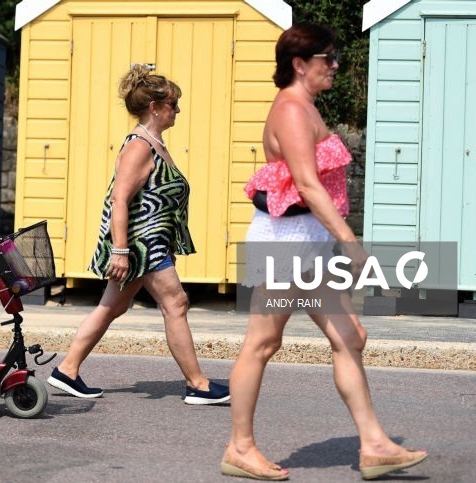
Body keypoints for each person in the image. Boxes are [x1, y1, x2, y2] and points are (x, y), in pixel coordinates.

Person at [221, 23, 427, 480]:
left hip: (308, 241)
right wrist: (353, 246)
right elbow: (310, 187)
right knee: (263, 342)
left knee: (350, 335)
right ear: (300, 63)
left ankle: (373, 444)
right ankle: (239, 447)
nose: (336, 65)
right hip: (285, 244)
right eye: (328, 58)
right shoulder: (292, 110)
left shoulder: (305, 106)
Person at [46, 65, 230, 405]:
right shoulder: (139, 147)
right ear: (155, 108)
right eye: (173, 104)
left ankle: (66, 370)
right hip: (139, 246)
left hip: (146, 243)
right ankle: (198, 384)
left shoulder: (154, 143)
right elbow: (119, 199)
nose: (178, 110)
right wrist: (120, 251)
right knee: (176, 302)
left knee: (112, 307)